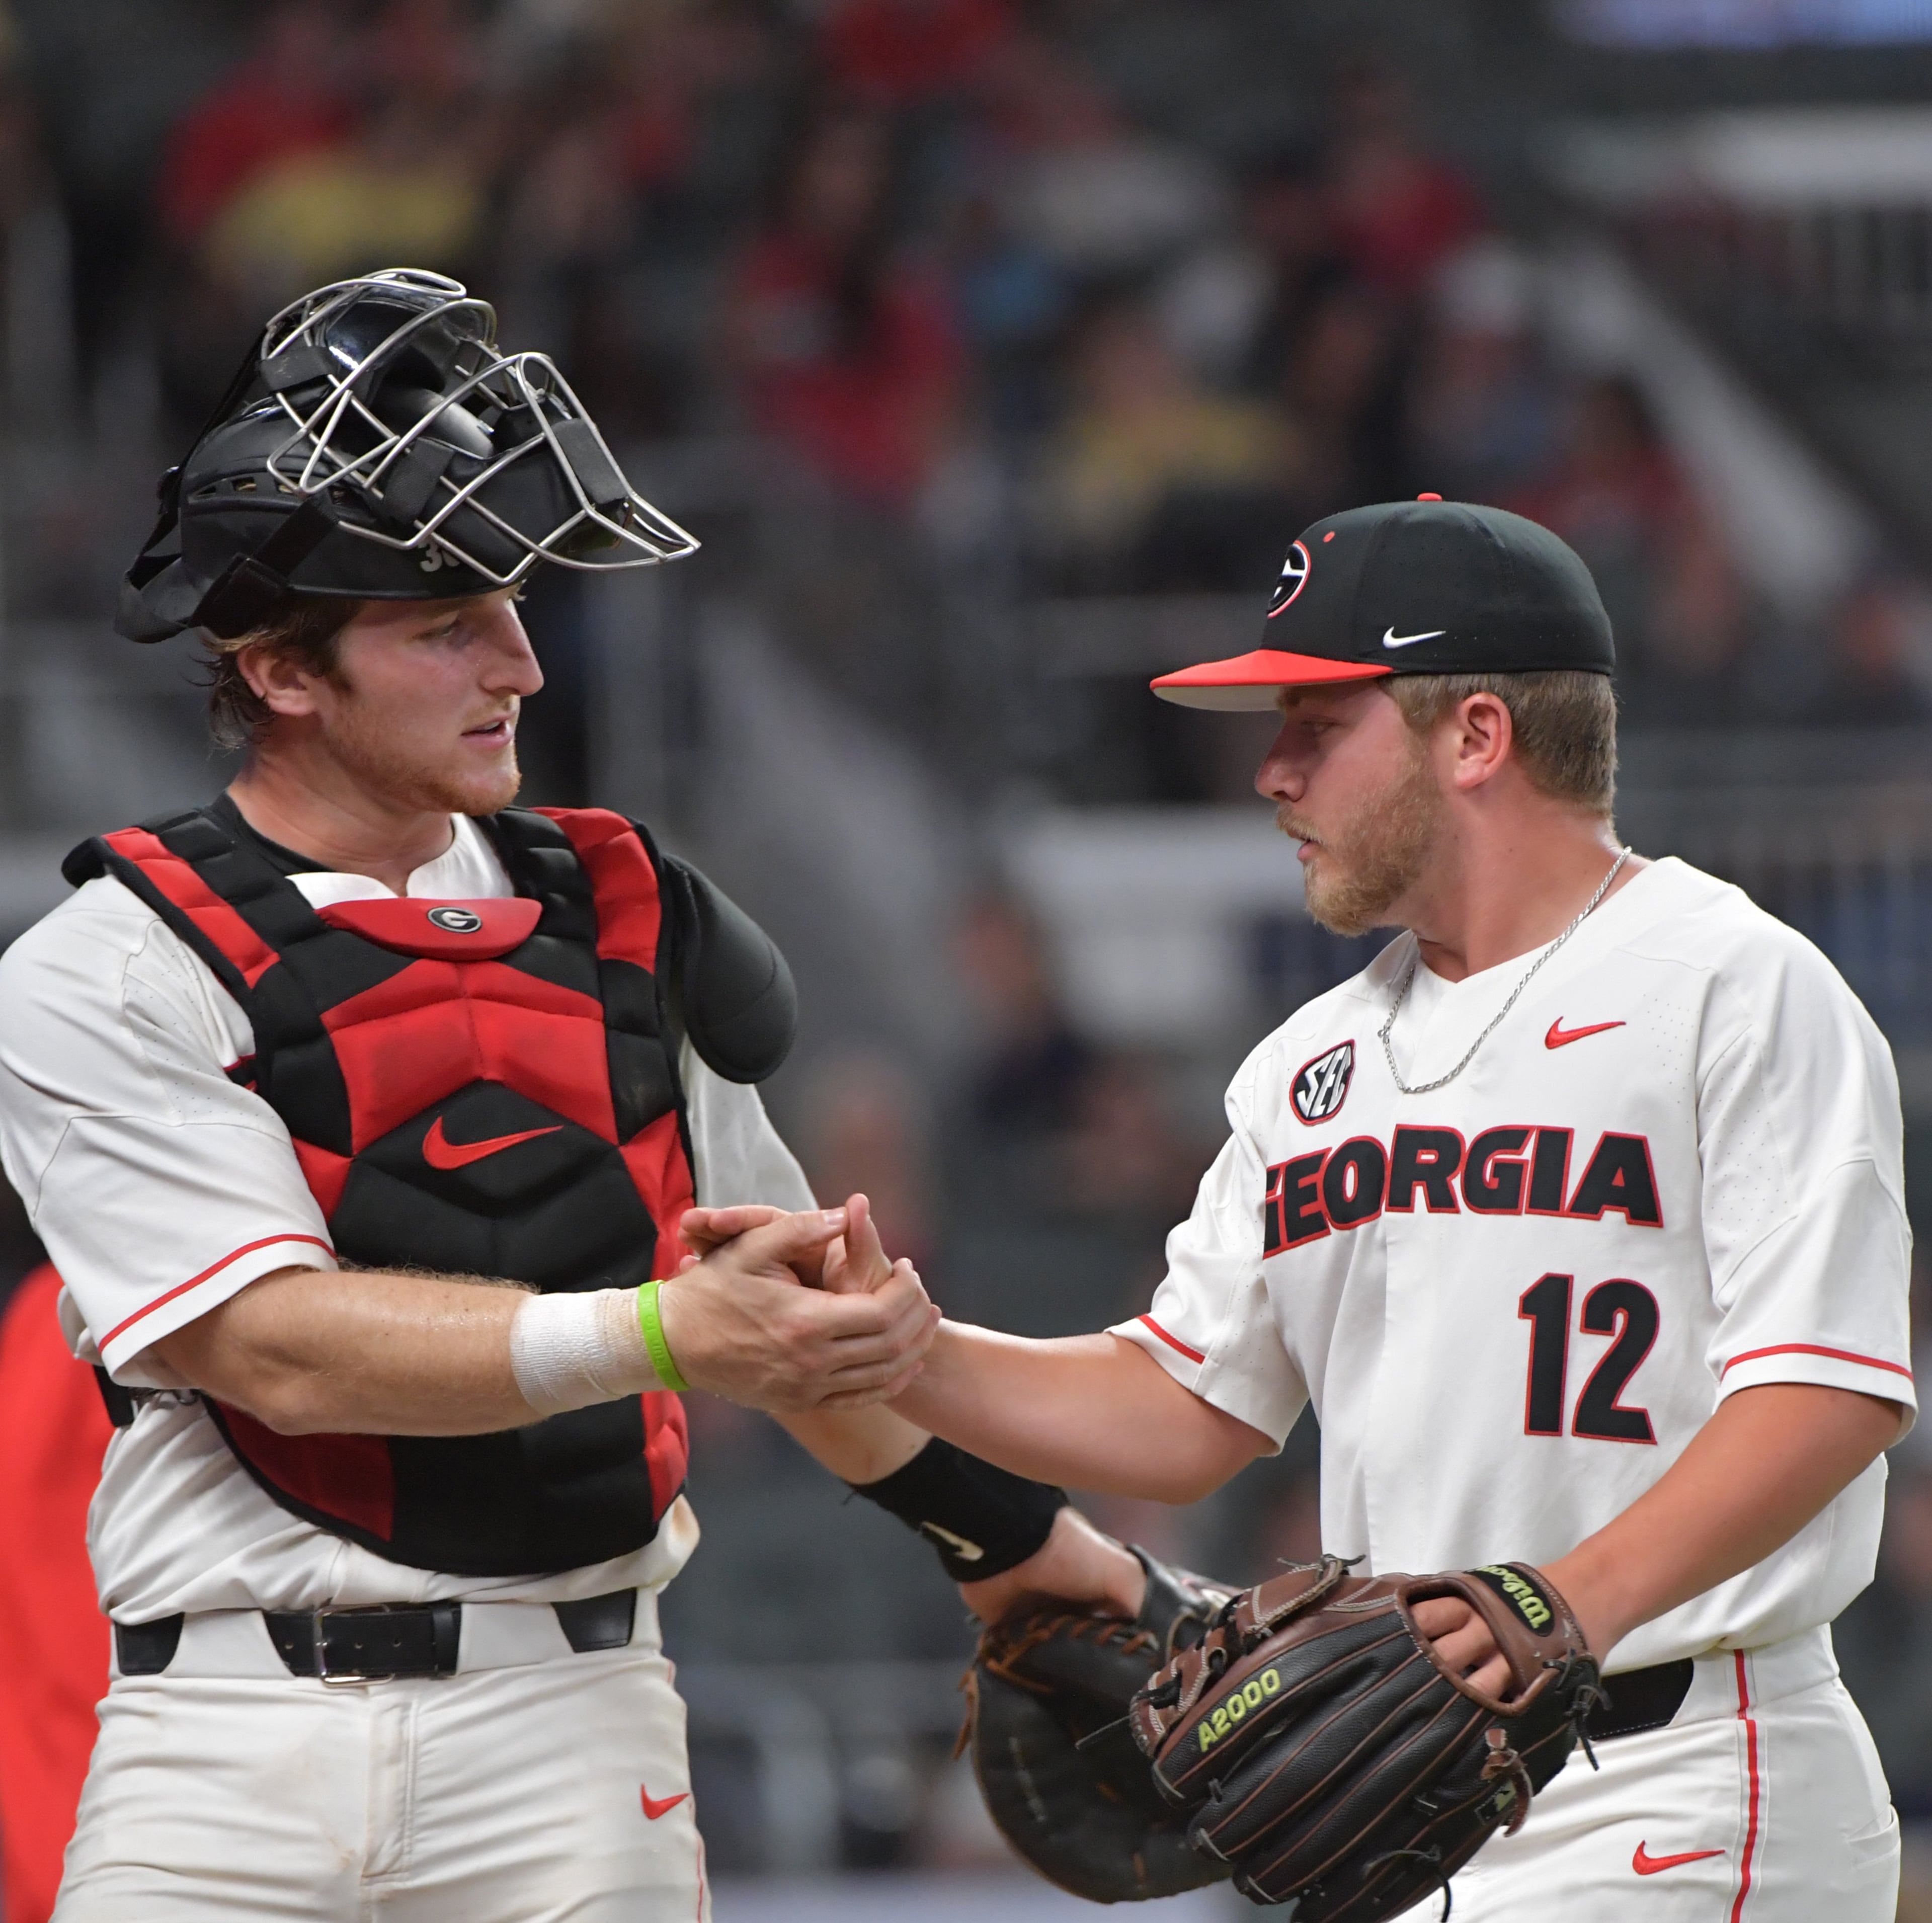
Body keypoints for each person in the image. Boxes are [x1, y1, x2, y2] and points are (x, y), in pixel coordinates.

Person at [0, 267, 1093, 1922]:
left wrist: (1038, 1561)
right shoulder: (106, 966)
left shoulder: (630, 914)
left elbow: (784, 1316)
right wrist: (660, 1336)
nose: (520, 659)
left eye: (513, 604)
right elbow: (277, 1351)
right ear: (284, 670)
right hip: (215, 1737)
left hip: (571, 1722)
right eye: (449, 622)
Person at [693, 497, 1913, 1917]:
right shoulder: (1312, 1062)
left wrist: (1569, 1599)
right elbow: (1187, 1405)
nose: (1270, 770)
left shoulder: (1731, 985)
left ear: (1476, 736)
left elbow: (1831, 1390)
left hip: (1681, 1763)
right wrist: (907, 1350)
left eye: (1317, 724)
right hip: (1416, 1799)